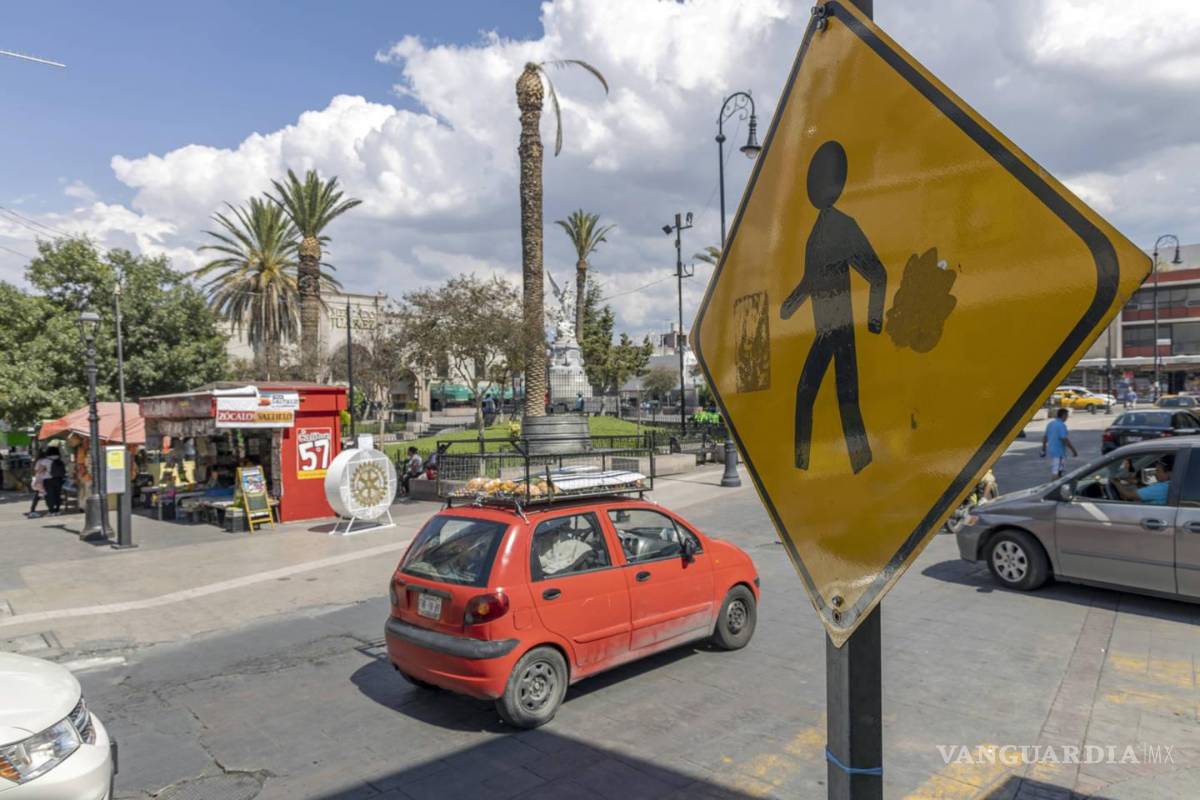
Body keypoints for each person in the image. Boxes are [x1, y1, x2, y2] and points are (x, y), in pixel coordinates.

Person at [1041, 408, 1078, 479]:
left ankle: (1058, 485)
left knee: (1059, 471)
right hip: (1059, 452)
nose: (1067, 418)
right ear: (1063, 415)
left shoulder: (1050, 424)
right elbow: (1064, 439)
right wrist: (1073, 450)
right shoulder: (1061, 425)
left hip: (1051, 450)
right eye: (1067, 416)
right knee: (1056, 472)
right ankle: (1054, 488)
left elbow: (1045, 437)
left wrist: (1043, 449)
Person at [26, 448, 50, 517]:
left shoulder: (38, 461)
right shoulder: (45, 461)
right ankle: (51, 510)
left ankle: (32, 510)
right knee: (45, 495)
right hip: (42, 480)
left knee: (38, 496)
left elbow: (36, 471)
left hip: (37, 479)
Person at [43, 447, 66, 515]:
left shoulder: (45, 460)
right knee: (57, 494)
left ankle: (51, 510)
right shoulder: (59, 459)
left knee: (50, 495)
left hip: (48, 480)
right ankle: (57, 510)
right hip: (58, 479)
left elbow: (39, 470)